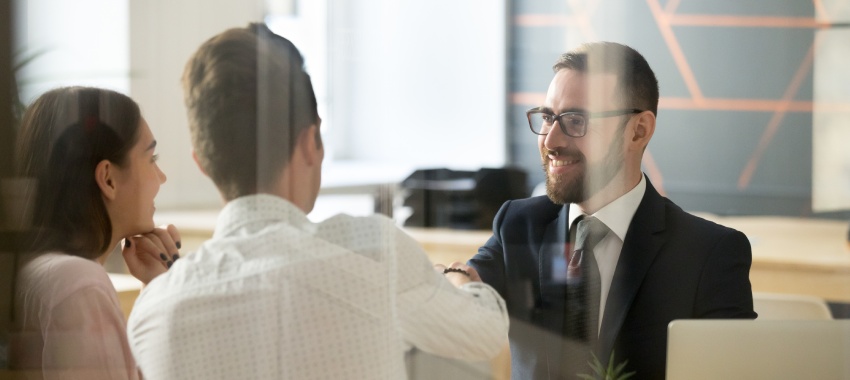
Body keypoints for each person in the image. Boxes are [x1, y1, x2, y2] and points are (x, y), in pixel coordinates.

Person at [126, 23, 508, 380]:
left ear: (202, 163)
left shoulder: (153, 311)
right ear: (310, 143)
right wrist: (459, 282)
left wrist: (163, 286)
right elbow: (485, 334)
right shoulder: (373, 253)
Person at [468, 42, 757, 380]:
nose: (550, 140)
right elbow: (463, 291)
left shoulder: (710, 254)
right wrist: (457, 279)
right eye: (548, 117)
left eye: (576, 120)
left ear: (638, 131)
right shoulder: (519, 225)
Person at [9, 87, 181, 379]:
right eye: (152, 159)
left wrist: (153, 290)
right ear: (108, 178)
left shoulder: (37, 268)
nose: (161, 177)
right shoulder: (79, 283)